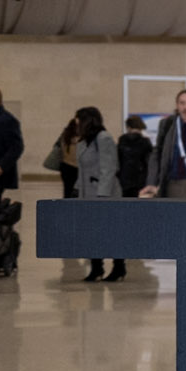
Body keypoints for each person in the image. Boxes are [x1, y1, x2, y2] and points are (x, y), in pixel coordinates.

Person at [72, 107, 125, 281]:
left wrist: (103, 196)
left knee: (112, 232)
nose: (76, 125)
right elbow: (82, 170)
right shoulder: (83, 142)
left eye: (79, 121)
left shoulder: (104, 138)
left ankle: (119, 267)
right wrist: (77, 190)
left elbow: (109, 168)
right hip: (88, 194)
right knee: (91, 232)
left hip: (105, 195)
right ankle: (96, 268)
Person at [115, 116, 153, 199]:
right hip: (140, 180)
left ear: (128, 127)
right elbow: (149, 162)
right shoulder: (145, 142)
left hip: (124, 179)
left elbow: (117, 160)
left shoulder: (122, 140)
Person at [51, 119, 81, 198]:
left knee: (67, 190)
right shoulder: (80, 138)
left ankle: (66, 203)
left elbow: (57, 146)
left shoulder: (65, 136)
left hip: (65, 166)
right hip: (76, 167)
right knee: (76, 191)